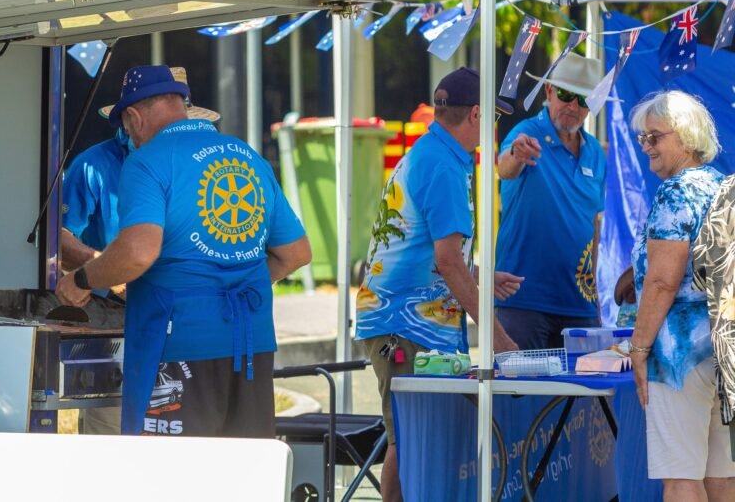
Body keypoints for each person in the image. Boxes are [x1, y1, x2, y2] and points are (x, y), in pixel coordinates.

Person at [56, 65, 311, 437]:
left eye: (126, 126)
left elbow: (138, 253)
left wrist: (81, 279)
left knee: (171, 473)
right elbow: (296, 253)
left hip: (179, 344)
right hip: (252, 343)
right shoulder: (246, 155)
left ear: (133, 116)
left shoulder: (147, 161)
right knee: (242, 471)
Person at [355, 67, 521, 502]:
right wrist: (499, 338)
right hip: (405, 323)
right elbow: (447, 261)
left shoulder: (433, 153)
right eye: (495, 117)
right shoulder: (443, 165)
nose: (494, 128)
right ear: (477, 114)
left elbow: (428, 250)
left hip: (405, 318)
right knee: (409, 435)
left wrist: (478, 274)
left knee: (415, 434)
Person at [59, 66, 219, 436]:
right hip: (118, 321)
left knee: (190, 436)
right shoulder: (92, 165)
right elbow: (59, 238)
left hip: (190, 324)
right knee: (114, 435)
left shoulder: (202, 162)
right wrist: (103, 270)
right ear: (132, 119)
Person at [627, 91, 735, 498]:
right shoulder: (721, 184)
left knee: (681, 476)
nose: (647, 147)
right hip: (723, 348)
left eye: (655, 137)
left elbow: (662, 281)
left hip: (680, 354)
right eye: (643, 139)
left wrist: (639, 348)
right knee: (722, 475)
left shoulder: (677, 192)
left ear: (686, 138)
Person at [495, 53, 608, 349]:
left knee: (584, 395)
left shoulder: (595, 152)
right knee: (521, 394)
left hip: (579, 305)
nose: (573, 106)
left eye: (582, 99)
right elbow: (505, 168)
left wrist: (594, 298)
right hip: (524, 301)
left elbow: (592, 227)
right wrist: (517, 155)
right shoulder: (526, 134)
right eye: (566, 94)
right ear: (548, 91)